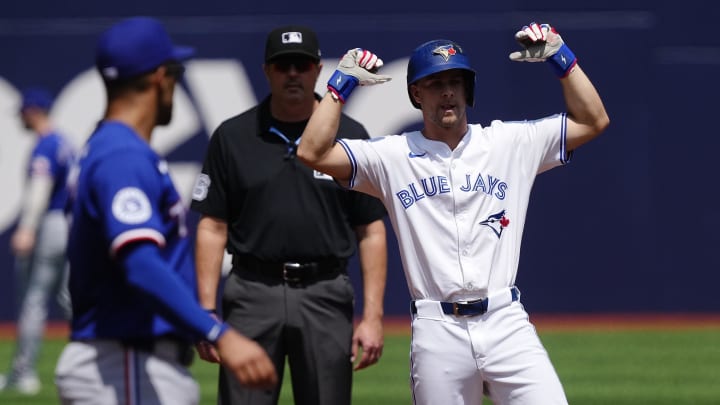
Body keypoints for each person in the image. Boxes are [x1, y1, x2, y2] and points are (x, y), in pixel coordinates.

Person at [297, 22, 610, 405]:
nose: (447, 91)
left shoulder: (509, 143)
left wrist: (564, 60)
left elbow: (593, 121)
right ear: (415, 93)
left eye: (456, 81)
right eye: (434, 82)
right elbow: (311, 152)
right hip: (437, 328)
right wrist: (338, 87)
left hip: (504, 319)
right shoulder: (390, 156)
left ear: (468, 89)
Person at [53, 16, 277, 404]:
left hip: (128, 360)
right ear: (161, 77)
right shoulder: (122, 154)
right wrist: (217, 332)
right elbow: (139, 262)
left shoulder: (108, 147)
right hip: (126, 360)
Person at [190, 25, 388, 405]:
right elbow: (212, 226)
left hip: (324, 292)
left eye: (301, 64)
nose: (293, 74)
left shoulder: (350, 134)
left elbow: (371, 229)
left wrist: (374, 315)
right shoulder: (234, 136)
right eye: (283, 66)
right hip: (252, 292)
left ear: (317, 69)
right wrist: (205, 310)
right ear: (267, 71)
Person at [0, 87, 74, 395]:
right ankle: (105, 350)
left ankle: (23, 372)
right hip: (69, 224)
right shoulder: (65, 142)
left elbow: (40, 190)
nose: (20, 119)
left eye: (22, 113)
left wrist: (27, 228)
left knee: (33, 299)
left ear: (33, 111)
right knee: (69, 298)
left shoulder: (46, 146)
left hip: (50, 224)